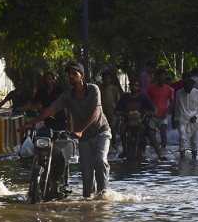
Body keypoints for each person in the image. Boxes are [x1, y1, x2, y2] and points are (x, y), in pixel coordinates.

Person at [21, 63, 112, 198]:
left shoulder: (93, 89)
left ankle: (103, 197)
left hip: (101, 132)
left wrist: (80, 130)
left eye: (75, 73)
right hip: (84, 137)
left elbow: (96, 111)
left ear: (82, 76)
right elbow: (50, 110)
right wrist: (31, 123)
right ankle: (89, 203)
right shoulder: (67, 95)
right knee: (86, 174)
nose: (71, 76)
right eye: (69, 74)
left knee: (100, 160)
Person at [115, 77, 167, 161]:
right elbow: (116, 111)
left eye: (136, 86)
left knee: (151, 133)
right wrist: (122, 113)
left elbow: (153, 107)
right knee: (122, 128)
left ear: (139, 87)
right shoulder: (124, 97)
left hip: (141, 121)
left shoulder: (143, 97)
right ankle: (124, 150)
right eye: (132, 85)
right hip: (128, 121)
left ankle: (159, 154)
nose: (134, 87)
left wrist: (153, 113)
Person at [173, 78, 198, 160]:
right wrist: (175, 119)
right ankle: (182, 159)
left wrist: (196, 116)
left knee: (194, 142)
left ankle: (194, 159)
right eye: (186, 87)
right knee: (182, 138)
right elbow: (177, 107)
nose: (188, 89)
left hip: (194, 121)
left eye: (189, 87)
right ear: (183, 87)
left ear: (192, 86)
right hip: (182, 119)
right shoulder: (179, 93)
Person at [146, 69, 174, 149]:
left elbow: (172, 101)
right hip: (153, 115)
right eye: (160, 76)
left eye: (163, 76)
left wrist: (167, 111)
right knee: (152, 135)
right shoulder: (151, 88)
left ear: (165, 77)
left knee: (163, 132)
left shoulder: (168, 89)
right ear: (157, 77)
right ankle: (153, 150)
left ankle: (163, 150)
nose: (162, 78)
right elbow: (146, 100)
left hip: (163, 114)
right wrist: (149, 111)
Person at [101, 70, 121, 145]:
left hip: (112, 112)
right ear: (102, 79)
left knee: (112, 128)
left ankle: (114, 142)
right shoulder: (99, 88)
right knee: (103, 129)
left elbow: (118, 101)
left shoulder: (114, 89)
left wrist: (118, 111)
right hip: (102, 113)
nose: (107, 80)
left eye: (109, 78)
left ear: (111, 79)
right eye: (105, 78)